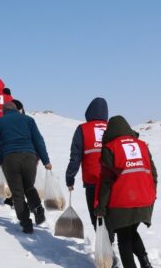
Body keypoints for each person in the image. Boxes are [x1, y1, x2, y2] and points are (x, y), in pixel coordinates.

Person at [94, 116, 157, 268]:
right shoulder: (142, 145)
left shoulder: (110, 148)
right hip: (145, 199)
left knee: (124, 237)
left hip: (122, 200)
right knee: (131, 231)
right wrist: (152, 194)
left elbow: (107, 181)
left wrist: (101, 206)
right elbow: (153, 173)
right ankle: (145, 263)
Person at [0, 101, 52, 234]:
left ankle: (26, 223)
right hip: (29, 158)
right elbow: (39, 141)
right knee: (29, 186)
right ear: (17, 109)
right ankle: (38, 208)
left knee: (18, 192)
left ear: (4, 111)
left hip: (10, 159)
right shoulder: (29, 120)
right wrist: (46, 161)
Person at [65, 97, 108, 227]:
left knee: (96, 218)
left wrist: (70, 178)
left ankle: (105, 244)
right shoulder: (112, 127)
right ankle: (110, 241)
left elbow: (75, 156)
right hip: (111, 182)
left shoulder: (83, 129)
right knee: (109, 216)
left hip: (92, 181)